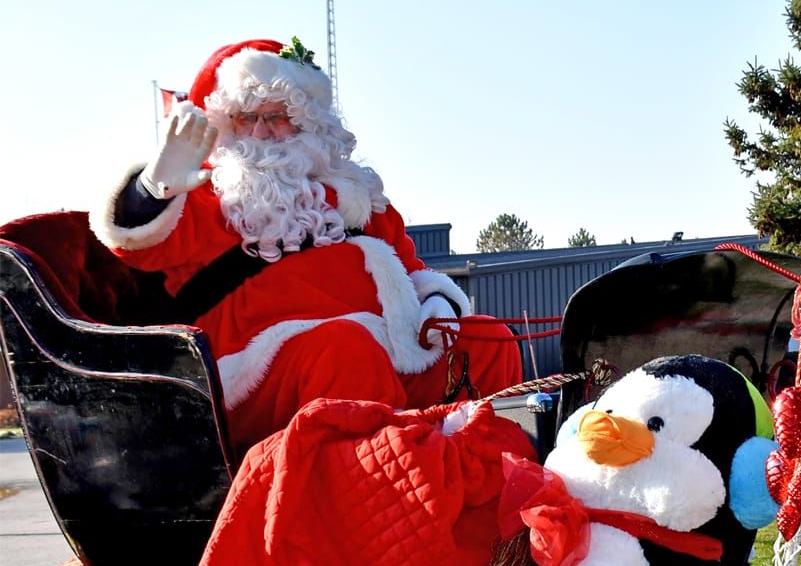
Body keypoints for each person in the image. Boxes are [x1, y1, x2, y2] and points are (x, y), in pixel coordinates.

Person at [89, 37, 522, 453]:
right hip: (261, 372)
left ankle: (480, 481)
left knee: (486, 339)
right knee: (344, 349)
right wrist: (155, 186)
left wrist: (440, 307)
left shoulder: (358, 198)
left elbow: (413, 270)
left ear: (308, 125)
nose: (260, 131)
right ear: (226, 127)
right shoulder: (207, 197)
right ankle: (376, 494)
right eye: (244, 118)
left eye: (277, 116)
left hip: (388, 351)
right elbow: (136, 244)